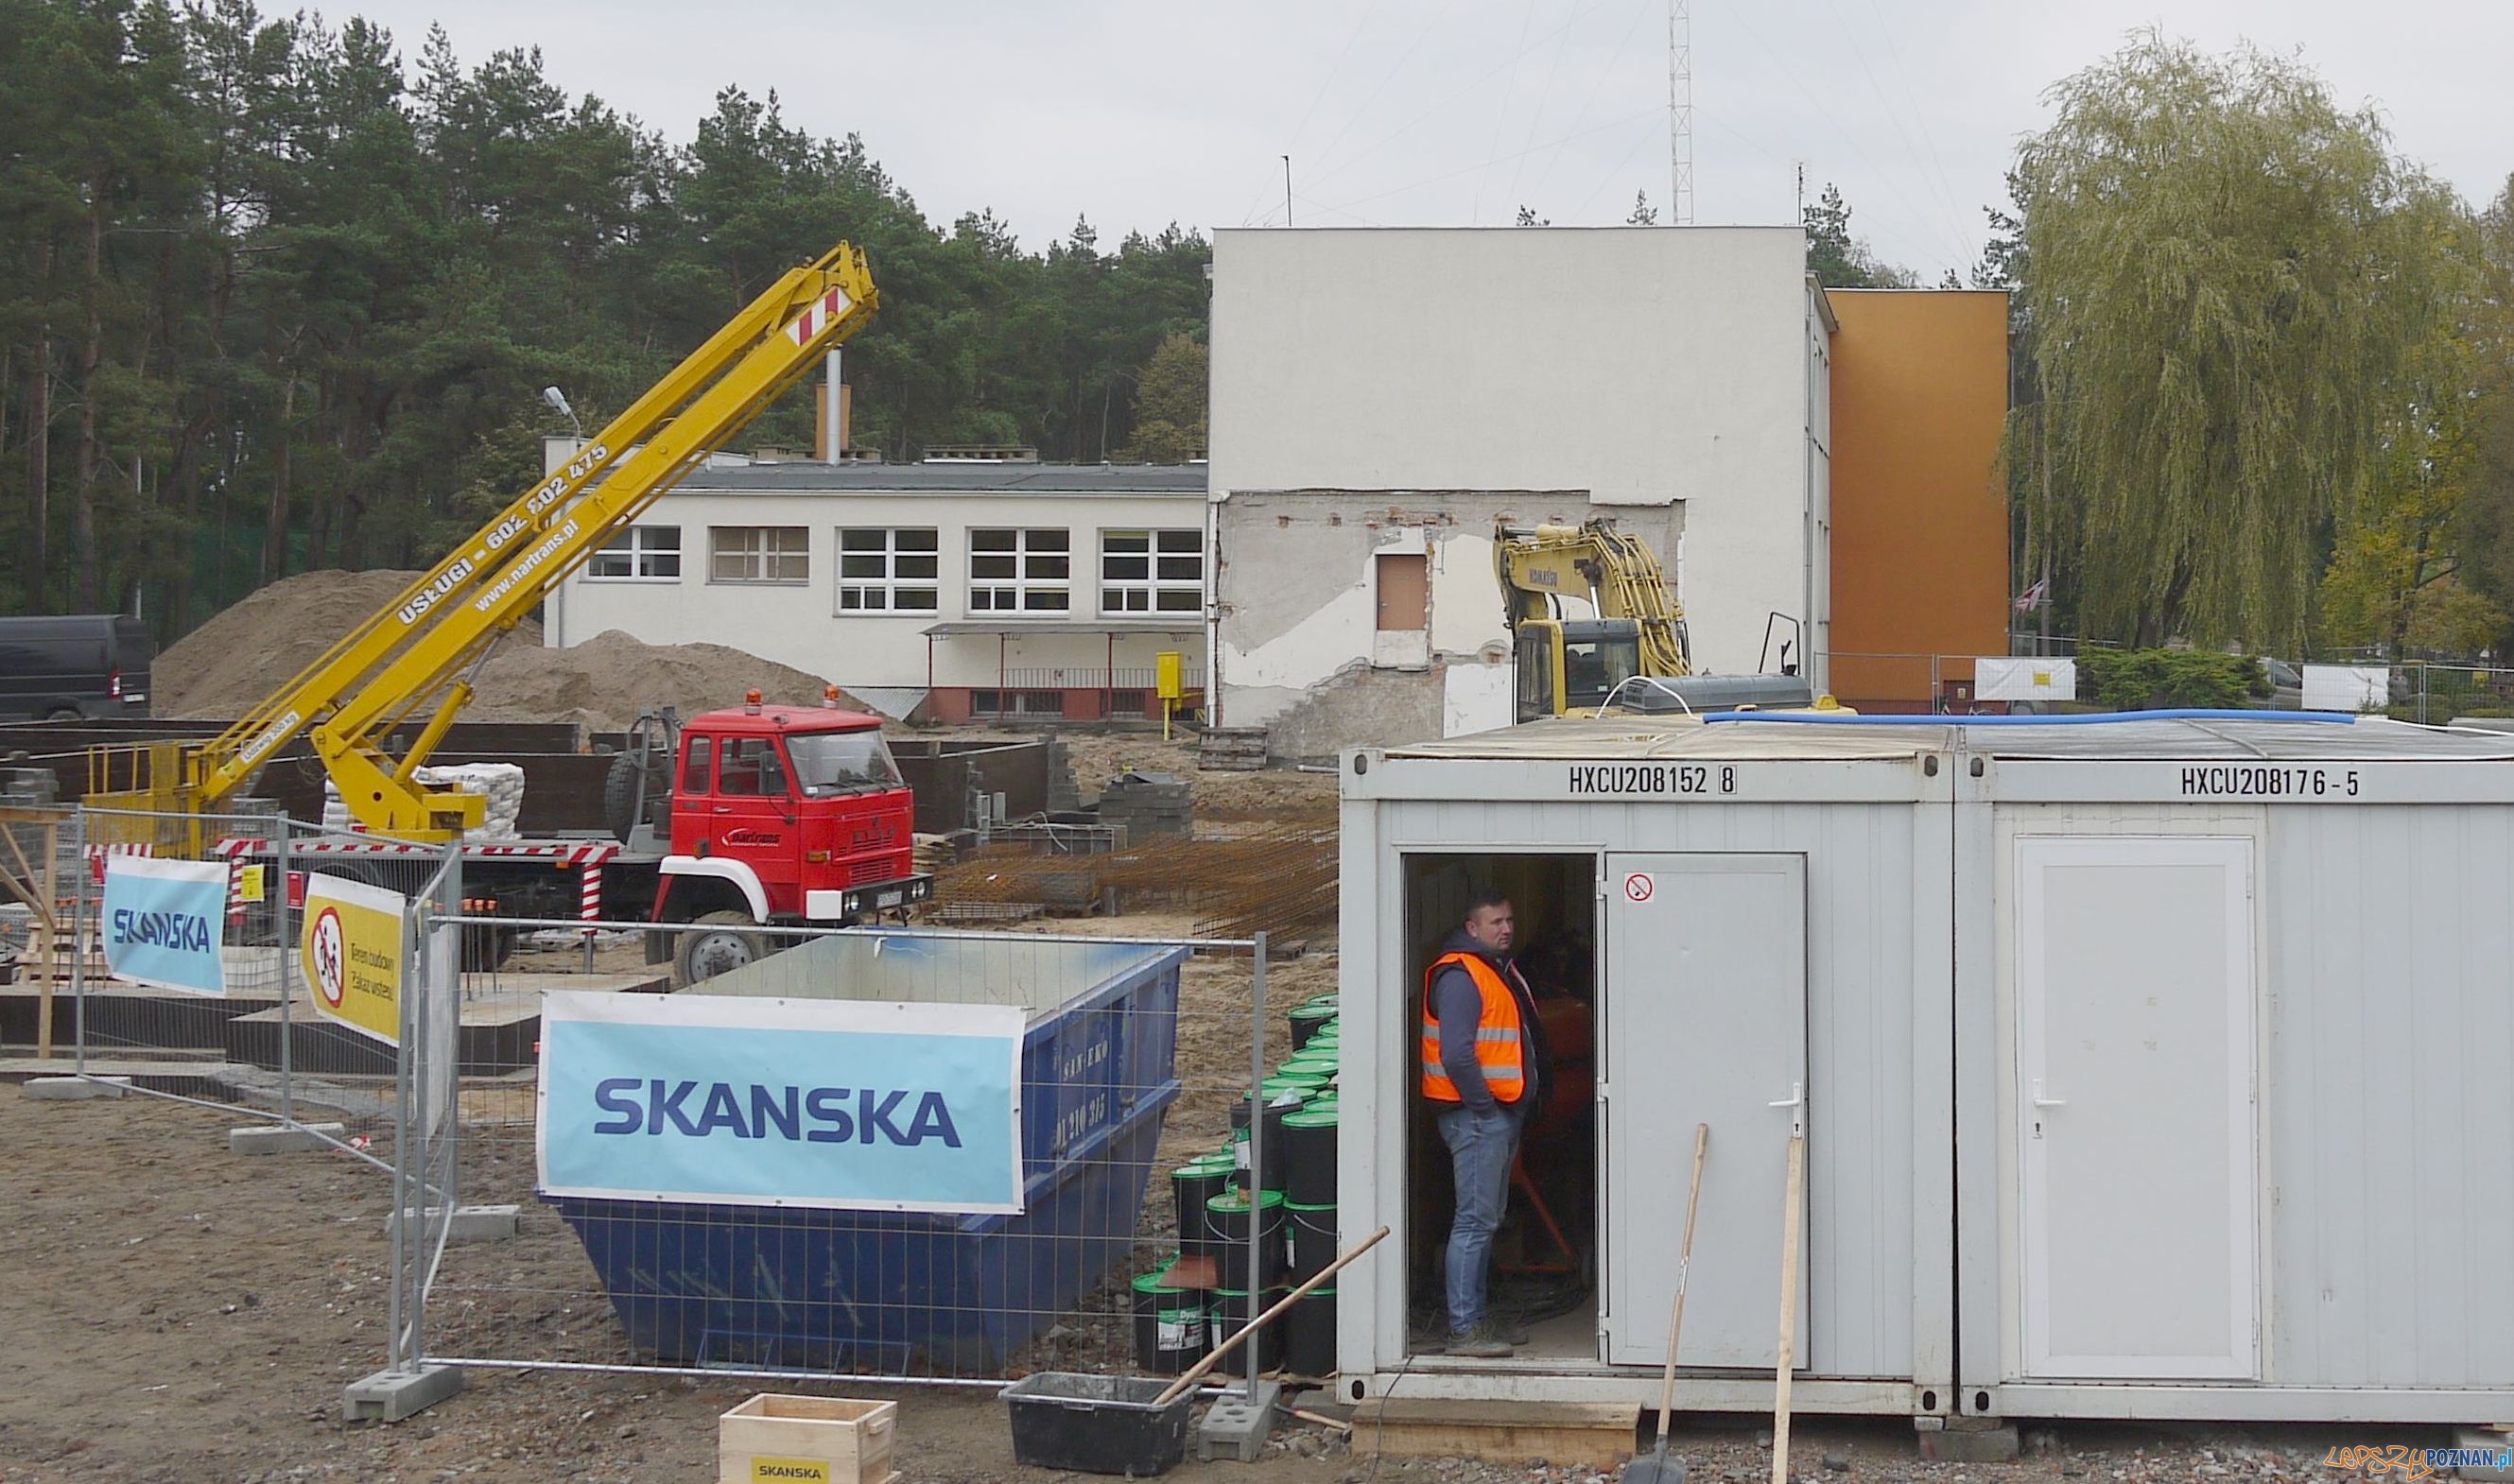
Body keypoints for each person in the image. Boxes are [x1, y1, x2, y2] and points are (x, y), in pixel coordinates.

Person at [1421, 890, 1547, 1357]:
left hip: (1492, 1116)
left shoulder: (1494, 971)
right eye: (1495, 922)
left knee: (1487, 1220)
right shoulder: (1460, 977)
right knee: (1474, 1222)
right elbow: (1456, 1052)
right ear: (1472, 928)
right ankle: (1464, 1328)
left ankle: (1476, 1316)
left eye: (1510, 920)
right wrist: (1485, 1107)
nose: (1506, 929)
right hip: (1476, 1119)